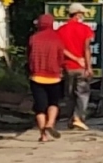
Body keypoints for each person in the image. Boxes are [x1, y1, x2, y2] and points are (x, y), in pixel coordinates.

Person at [29, 14, 72, 142]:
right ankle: (50, 123)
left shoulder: (33, 38)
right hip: (54, 77)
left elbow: (29, 56)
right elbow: (61, 57)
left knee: (40, 107)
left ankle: (43, 136)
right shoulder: (57, 39)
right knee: (53, 103)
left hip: (37, 77)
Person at [56, 3, 94, 131]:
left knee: (70, 94)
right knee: (82, 93)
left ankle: (71, 119)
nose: (83, 16)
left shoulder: (61, 30)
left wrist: (72, 58)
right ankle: (78, 118)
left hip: (67, 67)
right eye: (82, 14)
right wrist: (88, 66)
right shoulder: (85, 29)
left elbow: (60, 49)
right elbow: (87, 49)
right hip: (81, 66)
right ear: (78, 14)